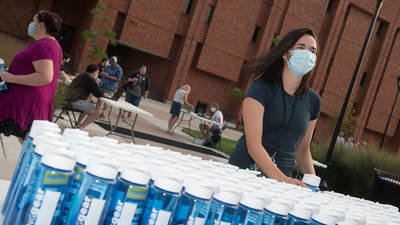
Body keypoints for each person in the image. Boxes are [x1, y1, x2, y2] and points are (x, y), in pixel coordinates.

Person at [228, 28, 321, 187]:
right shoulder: (260, 88)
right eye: (300, 48)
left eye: (312, 51)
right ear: (285, 54)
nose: (307, 54)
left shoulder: (314, 101)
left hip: (282, 184)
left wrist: (313, 183)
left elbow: (303, 150)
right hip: (245, 174)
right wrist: (282, 179)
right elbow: (253, 144)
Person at [0, 10, 63, 142]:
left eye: (33, 22)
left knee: (28, 141)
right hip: (31, 101)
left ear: (41, 25)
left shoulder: (44, 45)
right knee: (27, 142)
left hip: (23, 102)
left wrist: (11, 78)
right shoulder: (53, 45)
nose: (30, 25)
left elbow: (45, 77)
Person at [65, 64, 106, 128]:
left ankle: (78, 124)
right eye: (97, 72)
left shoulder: (80, 76)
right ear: (95, 72)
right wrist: (104, 94)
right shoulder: (90, 80)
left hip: (68, 99)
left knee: (89, 103)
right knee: (97, 113)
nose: (97, 74)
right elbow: (99, 94)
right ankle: (81, 128)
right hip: (75, 101)